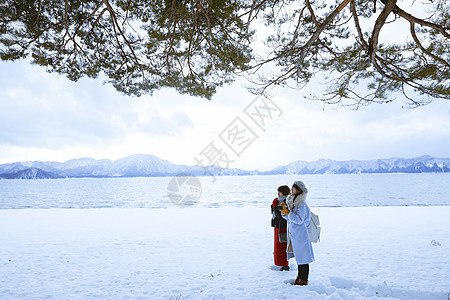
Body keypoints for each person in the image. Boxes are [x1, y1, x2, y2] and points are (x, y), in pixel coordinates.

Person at [280, 180, 315, 286]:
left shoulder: (302, 204)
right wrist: (284, 212)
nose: (291, 189)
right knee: (300, 258)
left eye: (293, 188)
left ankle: (303, 280)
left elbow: (299, 220)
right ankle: (300, 277)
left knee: (303, 258)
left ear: (299, 190)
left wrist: (289, 213)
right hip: (295, 235)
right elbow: (290, 218)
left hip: (301, 235)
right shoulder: (293, 202)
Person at [271, 185, 291, 271]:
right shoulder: (279, 200)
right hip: (278, 226)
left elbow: (281, 215)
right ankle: (282, 263)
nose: (278, 194)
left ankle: (285, 264)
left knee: (282, 245)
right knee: (278, 245)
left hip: (283, 226)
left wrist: (275, 205)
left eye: (279, 192)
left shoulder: (286, 201)